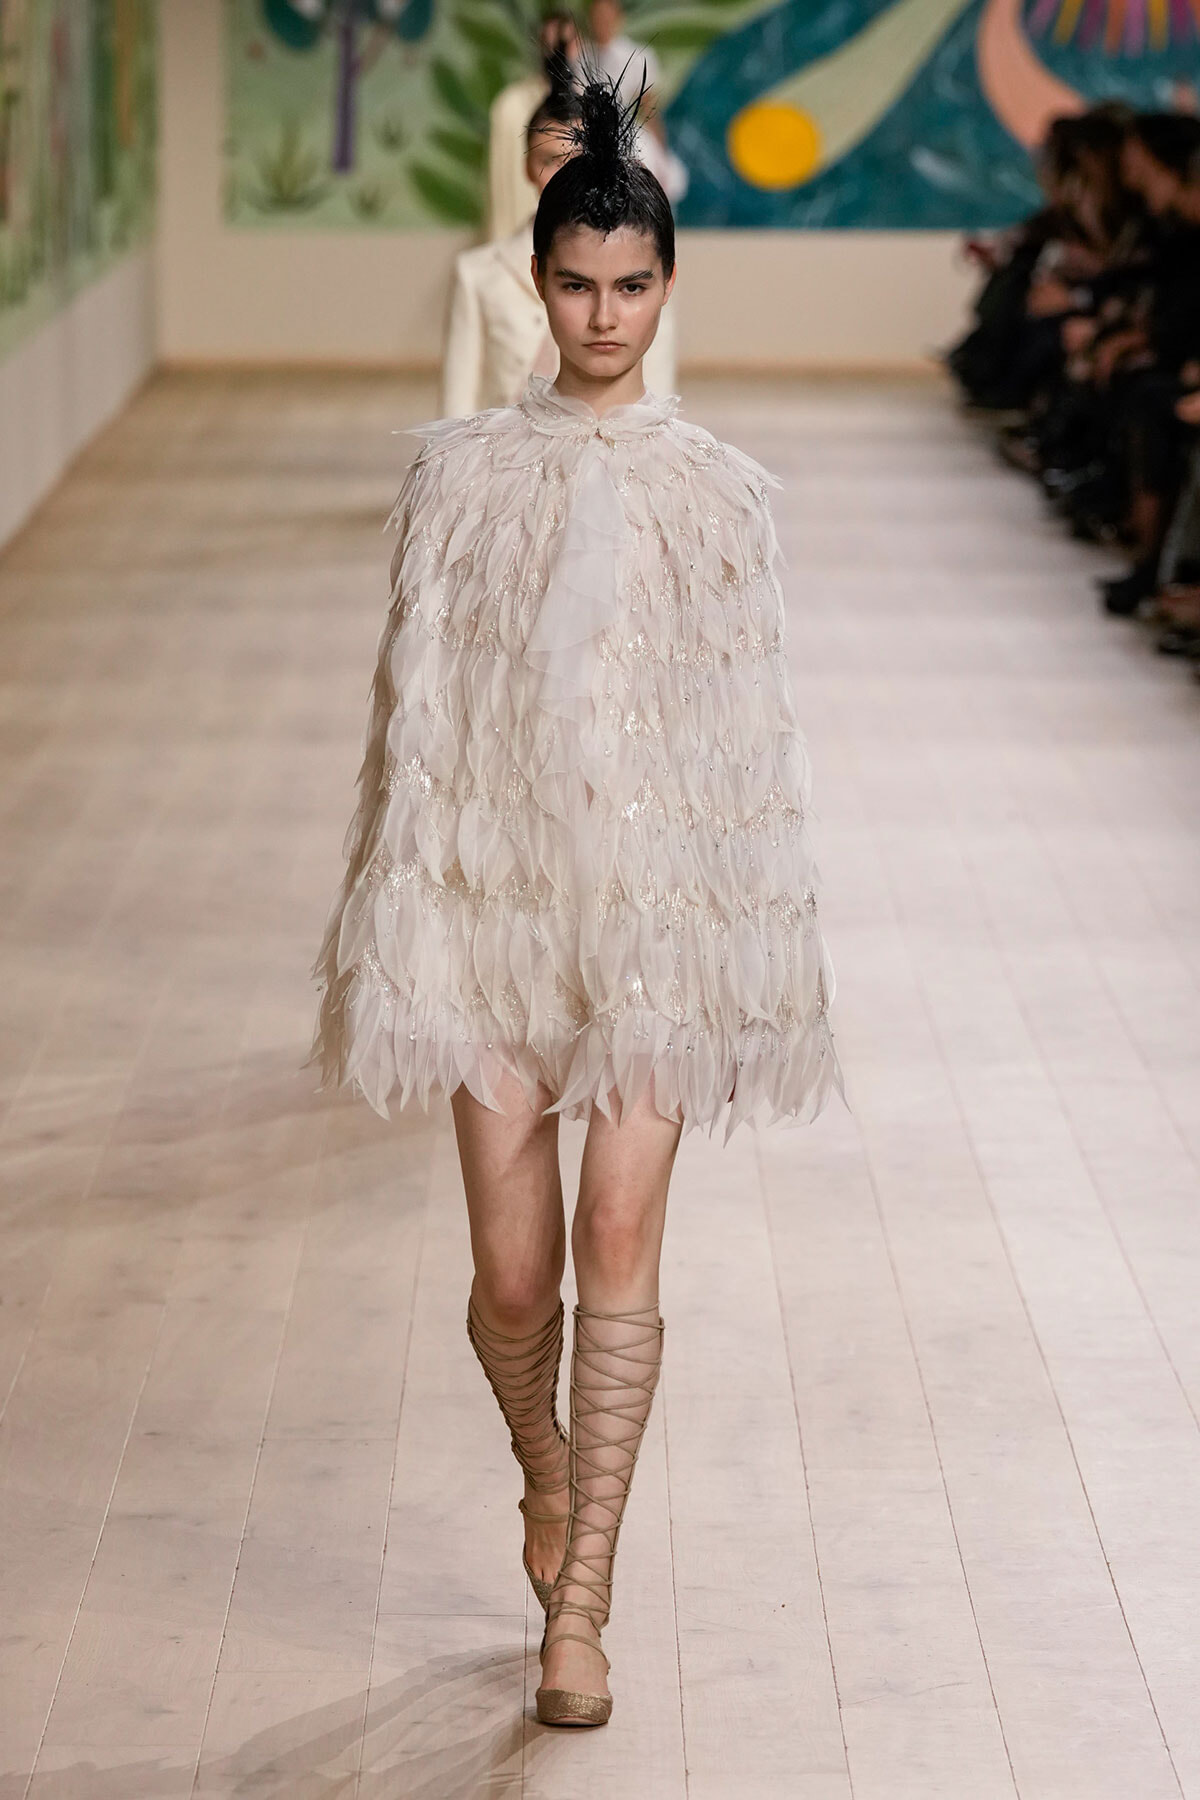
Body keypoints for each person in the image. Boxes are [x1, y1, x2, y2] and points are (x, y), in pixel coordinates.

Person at [310, 72, 844, 1729]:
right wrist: (406, 934)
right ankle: (542, 1466)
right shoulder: (458, 482)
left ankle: (583, 1602)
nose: (603, 315)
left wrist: (743, 955)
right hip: (484, 918)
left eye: (631, 286)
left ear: (666, 291)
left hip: (663, 937)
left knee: (619, 1239)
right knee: (517, 1277)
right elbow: (417, 731)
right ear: (533, 286)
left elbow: (749, 750)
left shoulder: (719, 501)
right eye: (575, 283)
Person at [443, 68, 679, 415]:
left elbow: (657, 392)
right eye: (551, 159)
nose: (564, 173)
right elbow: (455, 406)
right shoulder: (477, 273)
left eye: (576, 159)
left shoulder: (642, 270)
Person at [488, 11, 582, 241]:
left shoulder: (592, 110)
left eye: (565, 42)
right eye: (549, 42)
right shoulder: (511, 106)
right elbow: (503, 188)